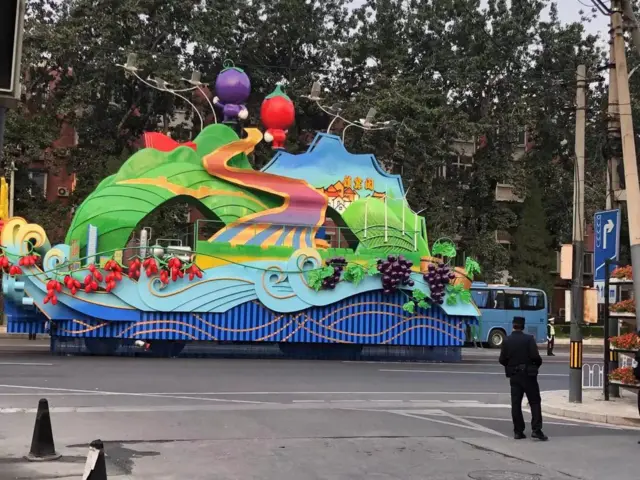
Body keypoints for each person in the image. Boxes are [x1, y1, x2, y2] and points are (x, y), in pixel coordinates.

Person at [499, 316, 548, 441]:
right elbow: (535, 357)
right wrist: (535, 366)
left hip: (514, 376)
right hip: (528, 375)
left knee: (516, 403)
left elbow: (502, 360)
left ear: (513, 325)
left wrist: (511, 366)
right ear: (523, 326)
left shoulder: (507, 340)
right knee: (534, 401)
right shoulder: (528, 339)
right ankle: (536, 429)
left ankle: (518, 431)